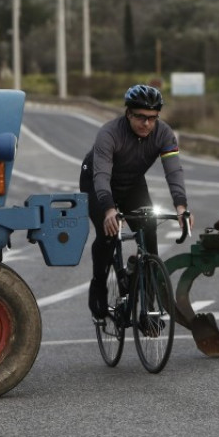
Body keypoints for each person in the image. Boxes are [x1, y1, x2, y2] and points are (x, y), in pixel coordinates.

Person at [79, 84, 194, 320]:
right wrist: (110, 210)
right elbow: (101, 176)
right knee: (108, 233)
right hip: (97, 182)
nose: (147, 124)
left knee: (149, 235)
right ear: (128, 113)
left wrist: (181, 207)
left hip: (132, 183)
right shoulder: (109, 133)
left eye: (152, 118)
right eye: (140, 117)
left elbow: (173, 172)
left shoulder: (164, 134)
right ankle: (99, 285)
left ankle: (149, 310)